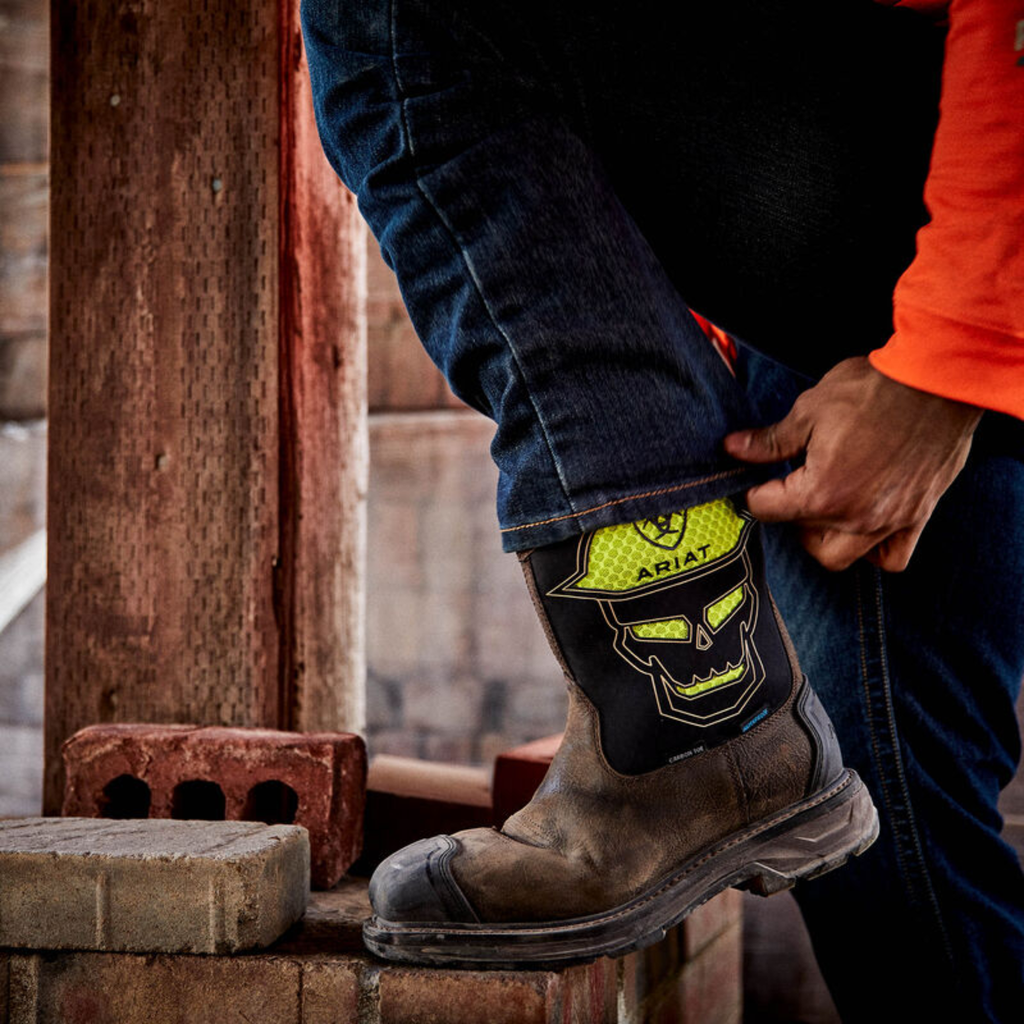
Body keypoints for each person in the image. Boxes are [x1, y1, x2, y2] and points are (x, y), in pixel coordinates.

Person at [300, 0, 1024, 1019]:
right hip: (919, 206)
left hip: (960, 153)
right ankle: (709, 727)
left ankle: (684, 736)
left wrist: (954, 361)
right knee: (886, 806)